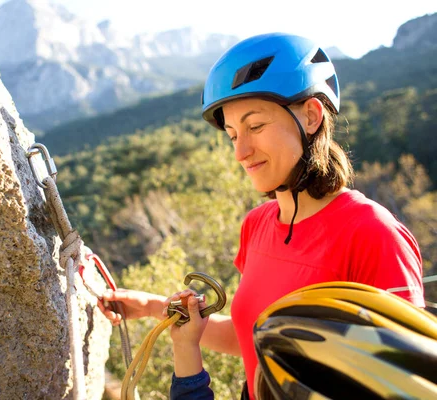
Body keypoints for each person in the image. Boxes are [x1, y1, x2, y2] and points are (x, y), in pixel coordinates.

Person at [98, 32, 425, 400]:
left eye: (255, 127)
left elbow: (408, 382)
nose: (241, 152)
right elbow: (255, 342)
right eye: (233, 135)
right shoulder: (258, 226)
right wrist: (154, 307)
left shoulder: (373, 234)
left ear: (312, 116)